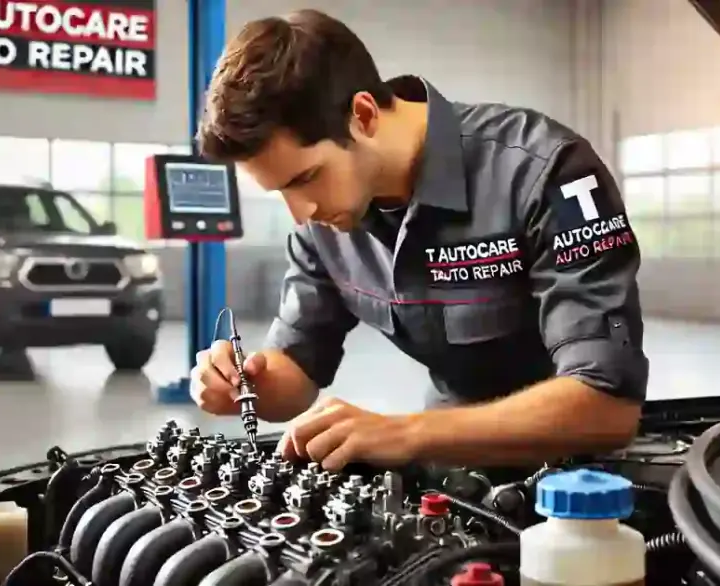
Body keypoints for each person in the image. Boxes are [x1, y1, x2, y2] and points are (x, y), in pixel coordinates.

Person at [190, 9, 648, 472]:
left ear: (364, 115)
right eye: (281, 191)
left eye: (306, 178)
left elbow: (606, 404)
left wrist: (406, 433)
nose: (300, 212)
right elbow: (296, 371)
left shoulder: (547, 172)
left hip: (576, 483)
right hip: (449, 468)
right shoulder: (325, 218)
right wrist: (242, 385)